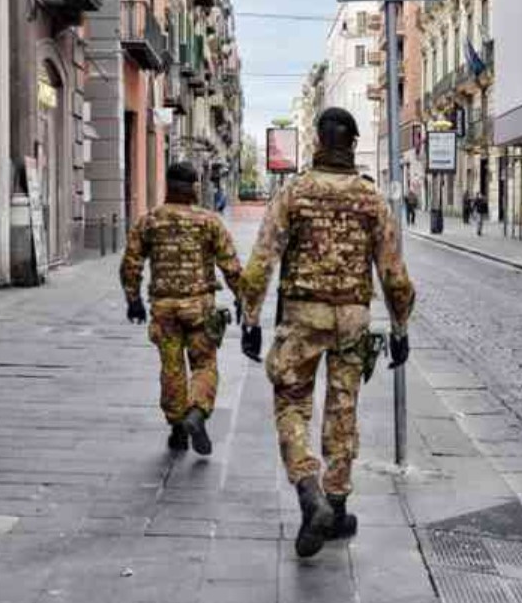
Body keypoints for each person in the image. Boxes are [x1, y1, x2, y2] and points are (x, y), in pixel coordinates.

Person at [239, 108, 415, 559]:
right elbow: (394, 273)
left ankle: (308, 490)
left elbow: (261, 262)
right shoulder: (371, 200)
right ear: (353, 144)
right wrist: (399, 326)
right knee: (343, 409)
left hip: (302, 316)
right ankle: (336, 508)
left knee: (292, 405)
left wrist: (250, 318)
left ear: (317, 138)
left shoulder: (293, 193)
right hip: (352, 318)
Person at [121, 162, 242, 455]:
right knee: (204, 363)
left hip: (164, 309)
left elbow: (131, 263)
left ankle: (177, 429)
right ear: (194, 188)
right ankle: (197, 412)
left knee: (172, 367)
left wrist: (133, 300)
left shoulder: (150, 221)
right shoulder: (209, 221)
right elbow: (231, 265)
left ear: (168, 186)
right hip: (199, 308)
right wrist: (243, 299)